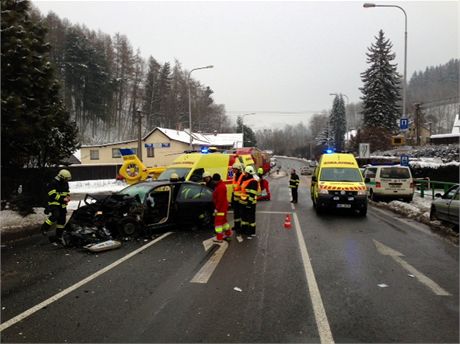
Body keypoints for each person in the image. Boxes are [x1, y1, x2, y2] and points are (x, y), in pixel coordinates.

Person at [41, 169, 72, 245]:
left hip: (62, 204)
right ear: (61, 177)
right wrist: (62, 199)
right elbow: (52, 195)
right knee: (55, 215)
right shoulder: (53, 183)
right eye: (66, 179)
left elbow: (67, 192)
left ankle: (58, 236)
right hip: (54, 203)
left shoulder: (65, 183)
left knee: (62, 221)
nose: (67, 181)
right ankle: (44, 228)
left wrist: (68, 197)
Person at [239, 166, 258, 237]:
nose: (245, 174)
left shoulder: (253, 182)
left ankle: (251, 231)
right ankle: (244, 230)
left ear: (249, 173)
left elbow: (252, 194)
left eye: (246, 173)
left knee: (251, 219)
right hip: (243, 203)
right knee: (244, 218)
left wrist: (249, 204)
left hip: (250, 204)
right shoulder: (245, 180)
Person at [212, 173, 231, 242]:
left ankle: (219, 238)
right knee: (224, 222)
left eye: (214, 180)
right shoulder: (220, 185)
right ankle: (228, 234)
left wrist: (217, 209)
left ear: (216, 180)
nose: (213, 182)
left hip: (221, 208)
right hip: (223, 207)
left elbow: (220, 200)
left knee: (218, 223)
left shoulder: (220, 187)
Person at [231, 162, 244, 235]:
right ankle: (236, 226)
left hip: (241, 198)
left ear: (238, 169)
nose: (233, 170)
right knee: (236, 213)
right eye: (233, 169)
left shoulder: (242, 176)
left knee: (241, 213)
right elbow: (234, 187)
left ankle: (241, 227)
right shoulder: (235, 176)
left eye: (234, 169)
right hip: (235, 197)